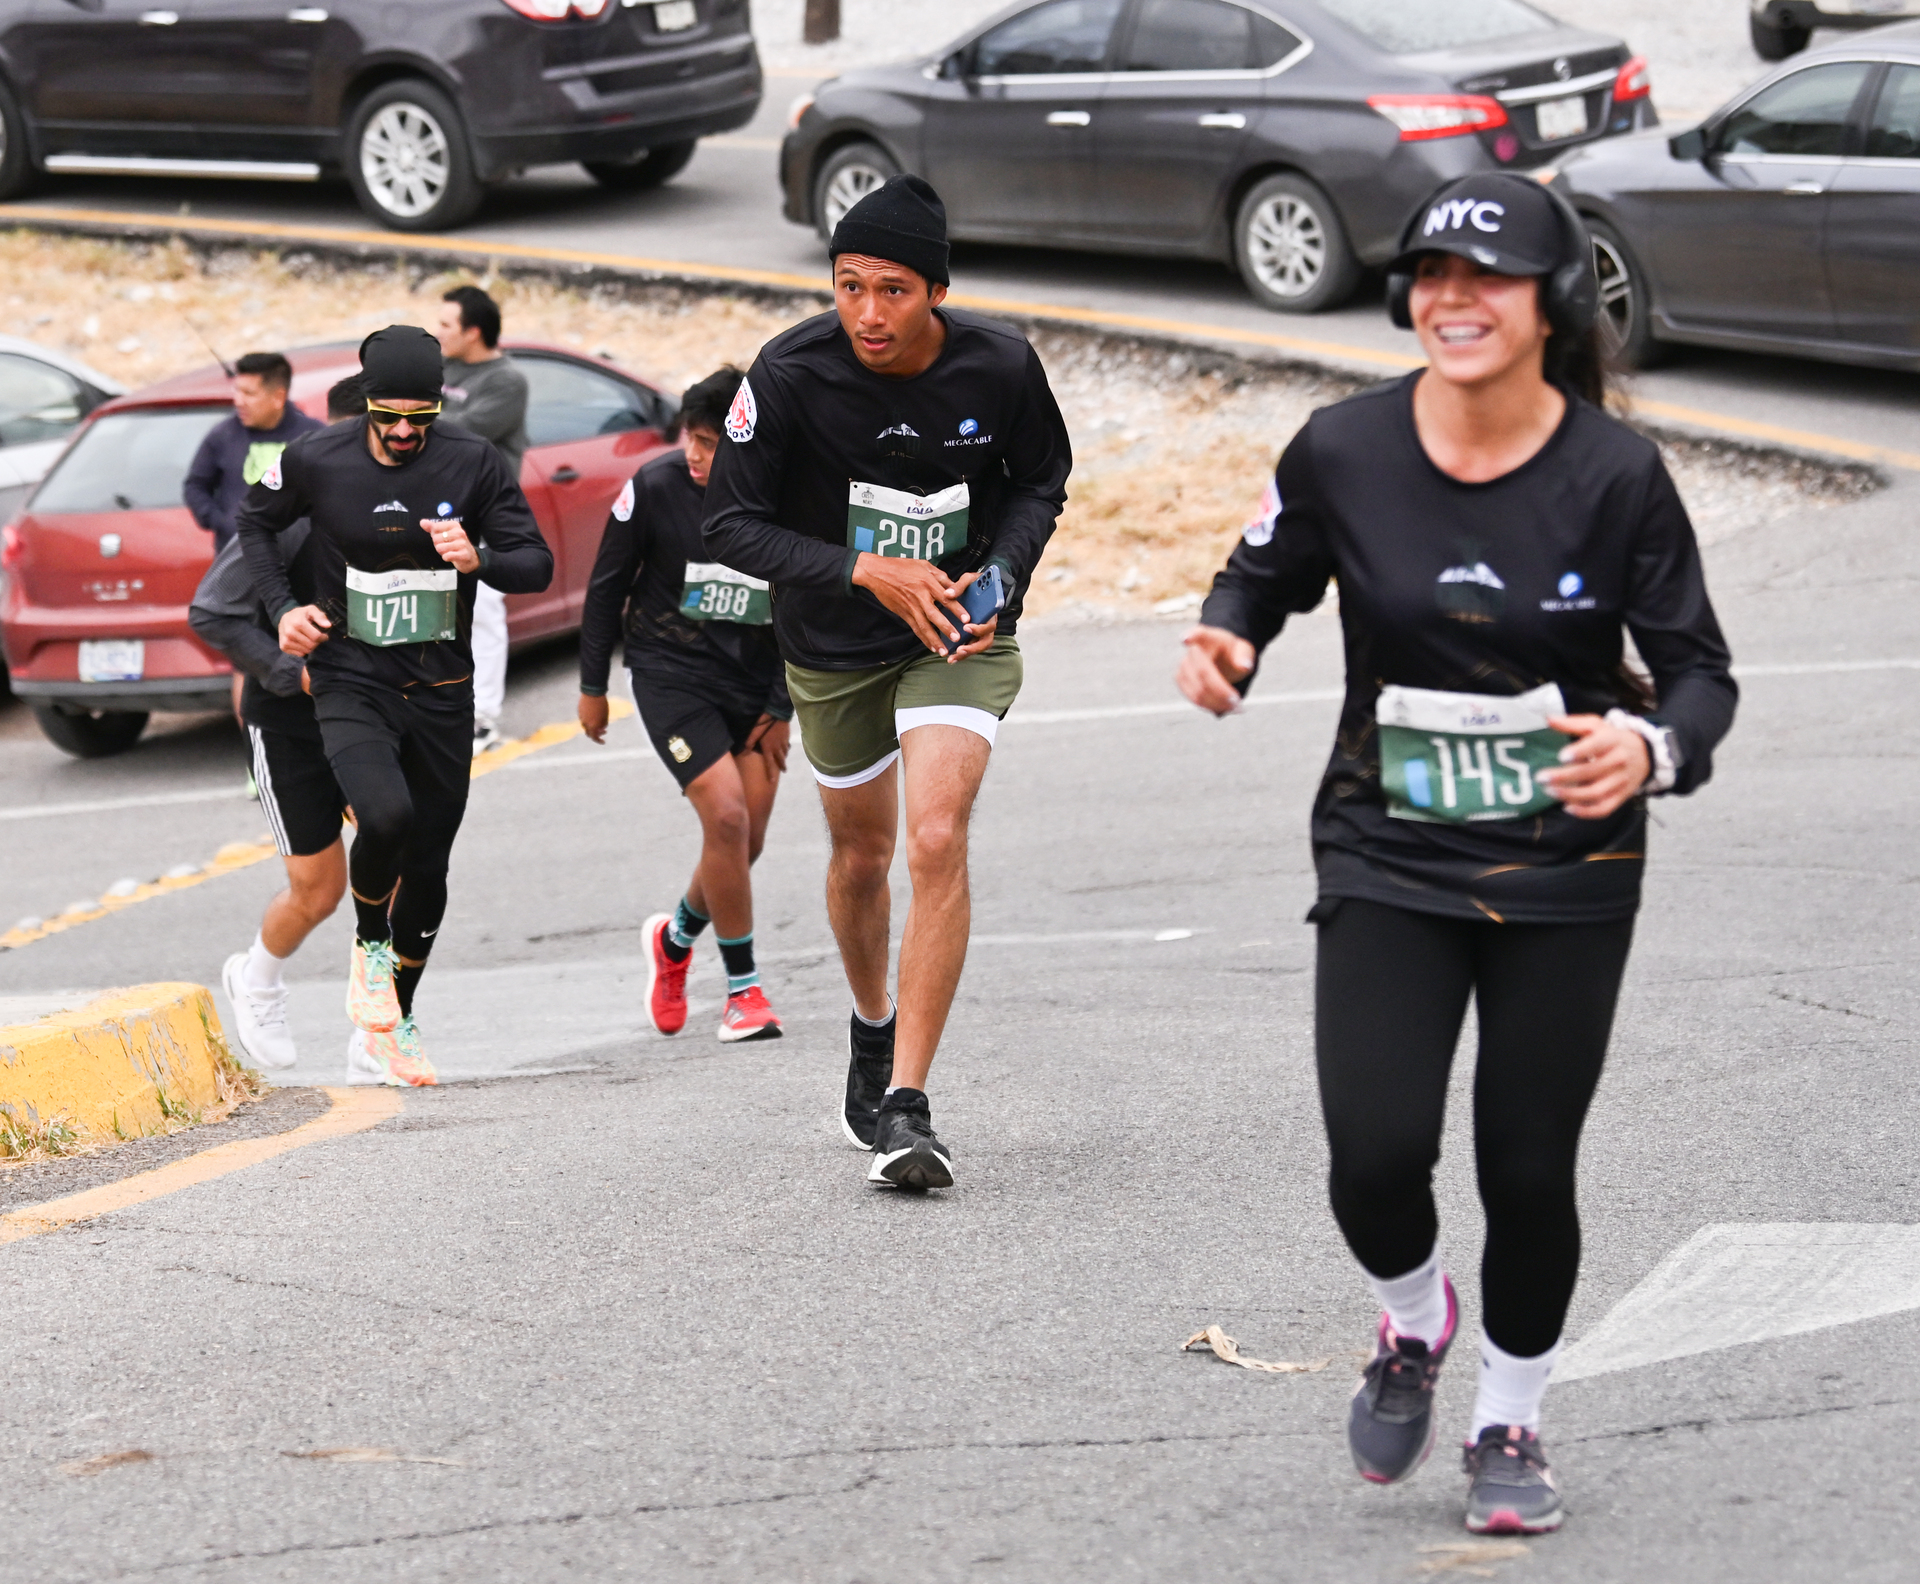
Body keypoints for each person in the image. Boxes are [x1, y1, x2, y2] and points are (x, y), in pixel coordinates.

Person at [1176, 174, 1737, 1535]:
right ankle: (1413, 1315)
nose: (1452, 299)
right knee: (1373, 1156)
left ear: (1549, 304)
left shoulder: (1616, 476)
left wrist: (1652, 751)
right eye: (1430, 273)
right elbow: (1264, 567)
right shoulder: (1344, 450)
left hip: (1567, 864)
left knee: (1528, 1171)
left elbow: (1699, 676)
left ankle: (1510, 1419)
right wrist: (1228, 634)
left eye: (1485, 277)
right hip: (1389, 846)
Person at [704, 175, 1071, 1190]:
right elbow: (728, 525)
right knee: (860, 858)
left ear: (936, 292)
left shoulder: (1002, 368)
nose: (869, 312)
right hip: (831, 644)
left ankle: (907, 1104)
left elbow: (1041, 480)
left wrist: (1002, 571)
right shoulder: (786, 375)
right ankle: (873, 1029)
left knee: (937, 835)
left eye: (895, 289)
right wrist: (866, 568)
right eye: (849, 285)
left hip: (958, 631)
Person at [236, 328, 553, 1088]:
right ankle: (370, 950)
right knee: (383, 818)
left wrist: (480, 559)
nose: (406, 431)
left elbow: (534, 563)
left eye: (422, 416)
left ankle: (389, 1025)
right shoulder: (318, 458)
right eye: (390, 416)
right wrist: (283, 609)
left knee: (431, 867)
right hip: (351, 679)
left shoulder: (474, 462)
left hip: (441, 690)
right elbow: (255, 522)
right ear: (367, 403)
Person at [578, 367, 792, 1044]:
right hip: (671, 676)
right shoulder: (654, 488)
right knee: (725, 816)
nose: (694, 456)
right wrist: (591, 687)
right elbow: (605, 587)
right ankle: (742, 991)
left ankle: (673, 941)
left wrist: (783, 704)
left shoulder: (785, 498)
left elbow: (806, 602)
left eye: (709, 443)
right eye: (689, 440)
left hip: (754, 688)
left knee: (745, 840)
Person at [187, 375, 367, 1074]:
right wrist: (294, 673)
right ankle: (256, 977)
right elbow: (212, 611)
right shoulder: (291, 510)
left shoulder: (407, 504)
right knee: (319, 890)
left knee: (400, 853)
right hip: (290, 723)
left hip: (373, 712)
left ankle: (380, 1021)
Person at [184, 350, 327, 722]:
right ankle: (255, 751)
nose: (238, 402)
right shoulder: (222, 435)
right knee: (247, 661)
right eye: (236, 392)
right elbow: (195, 486)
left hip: (296, 570)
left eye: (248, 393)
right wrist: (224, 524)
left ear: (277, 396)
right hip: (241, 571)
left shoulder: (310, 436)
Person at [437, 285, 531, 757]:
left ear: (473, 332)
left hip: (488, 515)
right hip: (441, 510)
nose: (439, 333)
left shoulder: (506, 380)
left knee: (485, 615)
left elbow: (461, 433)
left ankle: (484, 718)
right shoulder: (445, 368)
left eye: (446, 325)